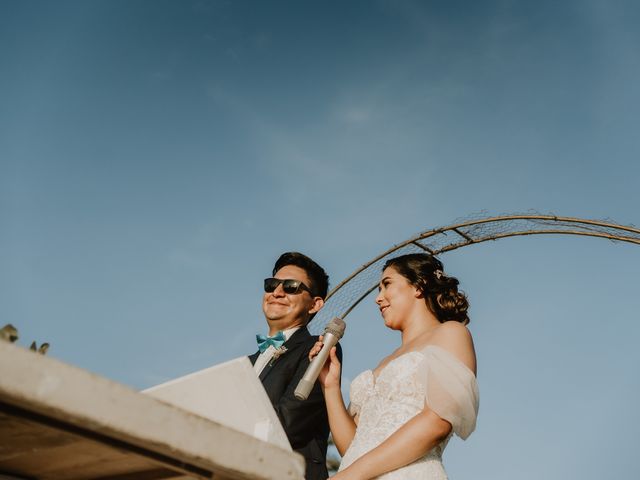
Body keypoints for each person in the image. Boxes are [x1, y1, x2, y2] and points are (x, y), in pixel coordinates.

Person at [311, 253, 479, 479]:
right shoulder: (383, 363)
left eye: (387, 285)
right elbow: (353, 448)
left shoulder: (451, 333)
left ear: (419, 286)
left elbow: (438, 421)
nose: (378, 298)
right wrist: (329, 386)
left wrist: (349, 477)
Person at [249, 251, 342, 480]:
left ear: (314, 304)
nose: (277, 293)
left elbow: (288, 421)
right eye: (271, 285)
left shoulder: (318, 349)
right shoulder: (246, 364)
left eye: (291, 286)